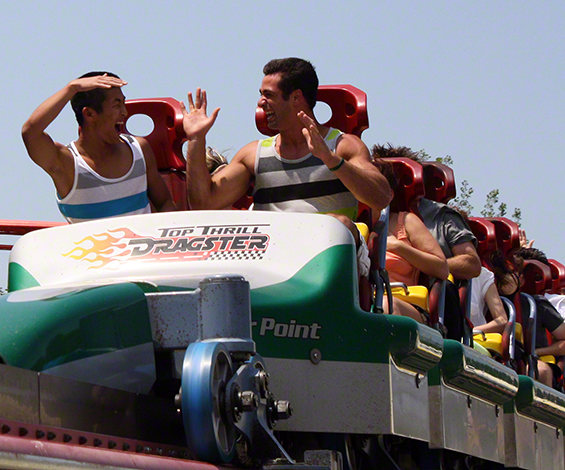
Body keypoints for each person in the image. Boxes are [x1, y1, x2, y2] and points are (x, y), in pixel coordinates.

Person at [183, 58, 392, 274]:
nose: (260, 103)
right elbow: (203, 204)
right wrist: (196, 140)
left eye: (269, 95)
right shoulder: (253, 154)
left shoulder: (343, 147)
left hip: (332, 263)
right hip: (274, 259)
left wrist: (331, 160)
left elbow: (381, 197)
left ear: (296, 97)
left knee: (335, 225)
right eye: (261, 94)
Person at [22, 72, 176, 222]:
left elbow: (165, 203)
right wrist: (71, 88)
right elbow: (31, 133)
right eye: (117, 105)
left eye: (123, 103)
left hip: (143, 247)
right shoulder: (67, 163)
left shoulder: (139, 149)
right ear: (89, 114)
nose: (124, 112)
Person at [371, 143, 481, 340]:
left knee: (445, 288)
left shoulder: (440, 216)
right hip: (372, 294)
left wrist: (413, 256)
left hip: (425, 296)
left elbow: (471, 264)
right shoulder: (358, 218)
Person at [373, 160, 449, 324]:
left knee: (386, 306)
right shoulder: (350, 222)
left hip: (403, 305)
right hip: (360, 302)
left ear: (389, 195)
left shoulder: (406, 221)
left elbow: (442, 269)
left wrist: (398, 246)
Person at [492, 247, 565, 388]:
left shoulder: (536, 304)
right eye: (502, 273)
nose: (505, 278)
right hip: (500, 354)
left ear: (522, 279)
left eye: (511, 273)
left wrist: (537, 352)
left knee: (542, 371)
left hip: (532, 360)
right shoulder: (488, 295)